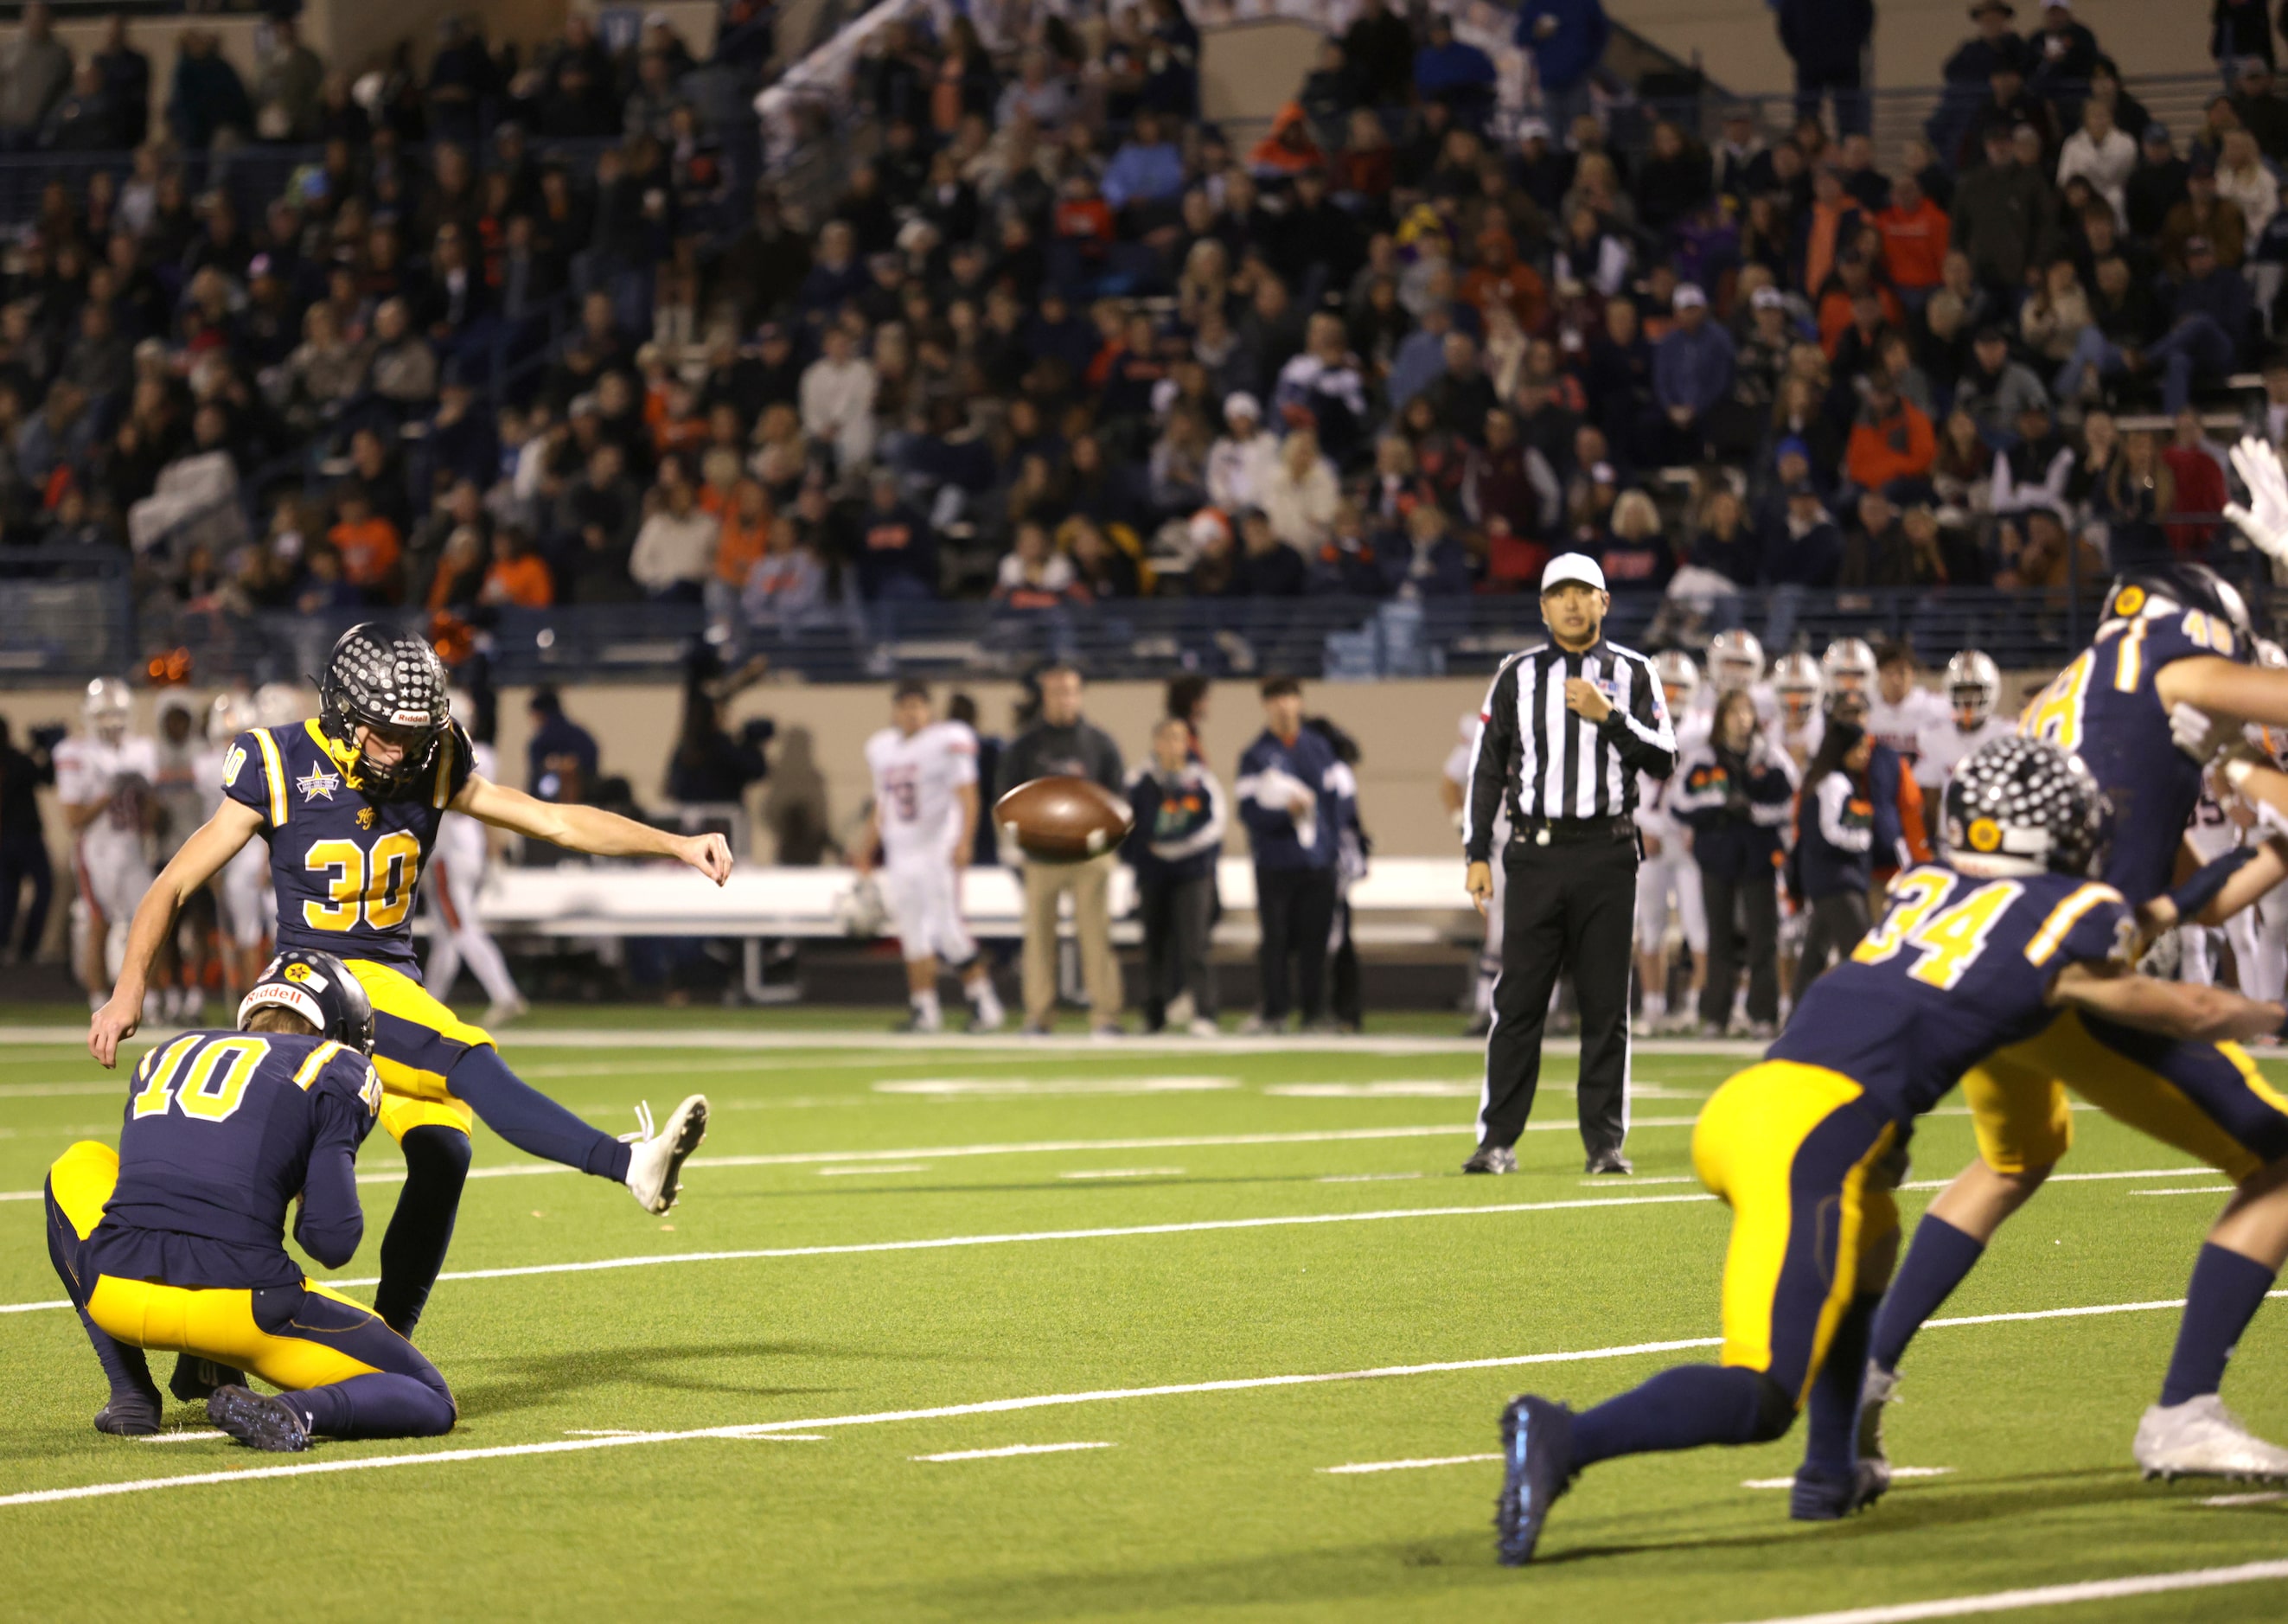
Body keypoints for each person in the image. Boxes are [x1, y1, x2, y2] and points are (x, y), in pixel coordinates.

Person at [1493, 737, 2288, 1563]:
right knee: (1763, 1392)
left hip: (1763, 1108)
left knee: (1870, 1249)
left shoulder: (1924, 885)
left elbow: (2082, 943)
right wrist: (2270, 1014)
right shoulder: (2062, 920)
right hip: (1815, 1134)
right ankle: (1563, 1436)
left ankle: (1830, 1474)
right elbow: (2184, 1005)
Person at [87, 626, 723, 1360]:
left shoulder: (435, 757)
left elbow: (554, 820)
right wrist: (126, 990)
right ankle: (627, 1164)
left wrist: (674, 844)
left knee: (445, 1152)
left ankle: (380, 1344)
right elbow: (172, 883)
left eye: (413, 734)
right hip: (316, 986)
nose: (401, 750)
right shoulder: (278, 760)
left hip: (390, 987)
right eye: (385, 732)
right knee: (471, 1060)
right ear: (342, 712)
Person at [1836, 557, 2288, 1495]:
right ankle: (2184, 1409)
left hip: (1993, 959)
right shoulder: (2171, 663)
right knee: (2282, 1160)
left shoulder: (2073, 694)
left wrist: (2267, 819)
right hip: (2067, 974)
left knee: (2014, 1157)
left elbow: (2190, 899)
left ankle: (1862, 1378)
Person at [47, 949, 457, 1449]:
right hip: (244, 1310)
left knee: (78, 1162)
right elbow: (331, 1240)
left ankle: (132, 1392)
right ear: (339, 1030)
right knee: (431, 1395)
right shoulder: (333, 1066)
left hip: (117, 1290)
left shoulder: (170, 1051)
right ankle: (291, 1412)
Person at [1462, 554, 1677, 1175]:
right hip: (1531, 852)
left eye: (1583, 592)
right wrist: (1477, 853)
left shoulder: (1635, 671)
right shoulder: (1516, 676)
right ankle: (1496, 1140)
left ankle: (1605, 1144)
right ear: (1543, 607)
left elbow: (1664, 759)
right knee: (1519, 999)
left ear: (1604, 601)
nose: (1572, 603)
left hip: (1608, 852)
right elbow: (1487, 768)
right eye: (1560, 593)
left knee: (1607, 1004)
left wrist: (1609, 716)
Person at [855, 681, 1005, 1034]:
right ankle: (925, 1010)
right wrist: (865, 850)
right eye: (905, 706)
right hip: (900, 850)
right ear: (895, 711)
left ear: (930, 710)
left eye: (918, 706)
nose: (911, 713)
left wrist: (964, 840)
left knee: (948, 931)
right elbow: (883, 803)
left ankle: (986, 1005)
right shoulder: (883, 747)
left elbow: (969, 795)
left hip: (936, 848)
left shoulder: (946, 742)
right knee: (912, 934)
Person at [997, 662, 1126, 1035]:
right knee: (1038, 939)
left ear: (1080, 694)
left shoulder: (1099, 743)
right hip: (1041, 857)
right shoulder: (1025, 745)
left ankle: (1105, 1016)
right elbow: (1006, 797)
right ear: (1044, 696)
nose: (1065, 698)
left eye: (1071, 690)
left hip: (1091, 857)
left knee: (1096, 937)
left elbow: (1118, 798)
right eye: (1056, 691)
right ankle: (1038, 1015)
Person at [1676, 687, 1797, 1037]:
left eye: (1747, 712)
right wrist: (1717, 806)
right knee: (1719, 937)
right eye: (1734, 712)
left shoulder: (1771, 756)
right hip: (1717, 855)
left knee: (1763, 937)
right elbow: (1679, 803)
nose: (1742, 719)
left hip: (1758, 857)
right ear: (1721, 718)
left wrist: (1755, 811)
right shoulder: (1704, 757)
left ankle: (1763, 1015)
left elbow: (1792, 800)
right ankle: (1716, 1015)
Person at [1237, 678, 1351, 1033]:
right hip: (1275, 861)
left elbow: (1337, 805)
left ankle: (1315, 1012)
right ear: (1265, 705)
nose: (1284, 706)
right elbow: (1249, 812)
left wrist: (1330, 847)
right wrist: (1286, 812)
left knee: (1316, 941)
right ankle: (1275, 1011)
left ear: (1299, 702)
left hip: (1318, 863)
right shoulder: (1254, 755)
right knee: (1276, 940)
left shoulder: (1319, 748)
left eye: (1289, 698)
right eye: (1276, 699)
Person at [423, 692, 525, 1028]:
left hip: (448, 853)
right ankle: (428, 1005)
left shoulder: (434, 753)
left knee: (461, 929)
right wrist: (494, 856)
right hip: (472, 851)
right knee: (446, 936)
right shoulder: (485, 755)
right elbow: (491, 813)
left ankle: (504, 994)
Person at [56, 679, 158, 1013]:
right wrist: (108, 793)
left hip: (131, 848)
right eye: (104, 714)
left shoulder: (140, 749)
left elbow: (151, 815)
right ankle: (98, 1000)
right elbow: (73, 819)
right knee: (98, 923)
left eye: (117, 713)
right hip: (95, 851)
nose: (111, 721)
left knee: (148, 923)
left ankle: (150, 997)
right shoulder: (74, 752)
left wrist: (145, 794)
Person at [1126, 715, 1227, 1036]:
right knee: (1154, 946)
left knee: (1194, 945)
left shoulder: (1202, 781)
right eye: (1166, 738)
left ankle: (1205, 1012)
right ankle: (1155, 1015)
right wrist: (1144, 853)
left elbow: (1216, 825)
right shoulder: (1140, 781)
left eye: (1179, 738)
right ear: (1156, 743)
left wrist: (1180, 847)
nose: (1172, 745)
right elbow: (1127, 825)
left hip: (1191, 873)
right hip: (1153, 874)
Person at [1633, 650, 1710, 1035]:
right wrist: (1642, 824)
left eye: (1680, 687)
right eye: (1667, 686)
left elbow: (1712, 785)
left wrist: (1701, 826)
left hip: (1690, 840)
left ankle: (1697, 1007)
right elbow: (1622, 785)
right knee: (1650, 927)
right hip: (1650, 839)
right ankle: (1653, 1008)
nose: (1674, 694)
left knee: (1699, 926)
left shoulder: (1705, 728)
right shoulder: (1632, 722)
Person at [1787, 716, 1876, 1003]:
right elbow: (1830, 831)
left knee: (1814, 957)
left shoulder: (1827, 780)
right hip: (1838, 882)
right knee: (1863, 954)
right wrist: (1862, 840)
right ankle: (1864, 1020)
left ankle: (1796, 1021)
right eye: (1859, 748)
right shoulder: (1835, 782)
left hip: (1826, 881)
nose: (1864, 755)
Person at [1913, 649, 2016, 796]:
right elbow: (1930, 796)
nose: (1968, 699)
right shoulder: (1933, 736)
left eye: (1976, 690)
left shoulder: (2008, 734)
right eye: (1961, 691)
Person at [0, 715, 54, 965]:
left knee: (8, 895)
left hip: (8, 839)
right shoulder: (16, 760)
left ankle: (9, 948)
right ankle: (26, 949)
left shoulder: (17, 760)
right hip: (24, 838)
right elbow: (46, 776)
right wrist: (47, 747)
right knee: (41, 889)